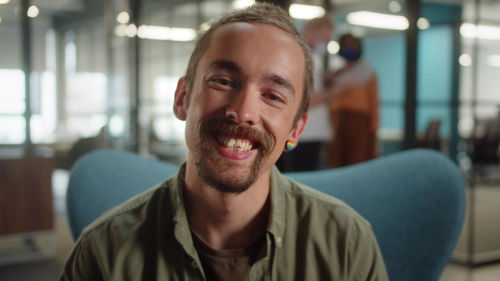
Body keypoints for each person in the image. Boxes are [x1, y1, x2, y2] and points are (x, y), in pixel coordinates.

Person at [59, 4, 388, 281]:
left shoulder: (347, 245)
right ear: (182, 98)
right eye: (224, 81)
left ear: (295, 131)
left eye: (273, 96)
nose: (244, 112)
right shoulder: (103, 252)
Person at [277, 16, 333, 172]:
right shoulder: (304, 58)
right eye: (325, 37)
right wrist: (339, 89)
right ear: (312, 32)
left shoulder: (311, 58)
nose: (327, 41)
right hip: (306, 133)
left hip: (308, 131)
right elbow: (305, 100)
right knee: (302, 175)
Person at [320, 33, 379, 168]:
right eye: (346, 45)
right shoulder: (337, 73)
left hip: (358, 121)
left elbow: (373, 101)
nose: (349, 49)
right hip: (337, 120)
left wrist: (373, 128)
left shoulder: (367, 73)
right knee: (336, 158)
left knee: (356, 159)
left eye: (352, 46)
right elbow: (325, 91)